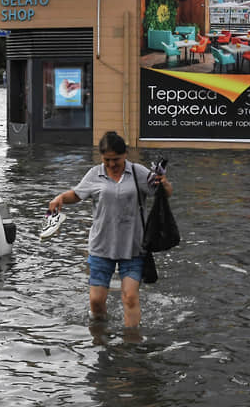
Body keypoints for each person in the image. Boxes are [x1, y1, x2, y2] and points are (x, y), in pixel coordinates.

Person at [47, 131, 172, 329]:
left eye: (116, 160)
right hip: (101, 246)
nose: (112, 164)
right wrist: (60, 198)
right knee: (96, 301)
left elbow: (164, 193)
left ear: (125, 155)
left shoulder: (139, 173)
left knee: (130, 297)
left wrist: (165, 184)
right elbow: (78, 195)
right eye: (107, 160)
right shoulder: (95, 174)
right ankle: (100, 335)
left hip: (133, 246)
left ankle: (131, 343)